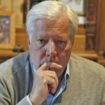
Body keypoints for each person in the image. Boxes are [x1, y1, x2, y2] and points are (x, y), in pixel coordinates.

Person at [0, 1, 105, 105]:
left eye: (60, 42)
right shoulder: (4, 77)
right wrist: (32, 101)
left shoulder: (99, 78)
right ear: (29, 42)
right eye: (42, 41)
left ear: (72, 43)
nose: (51, 51)